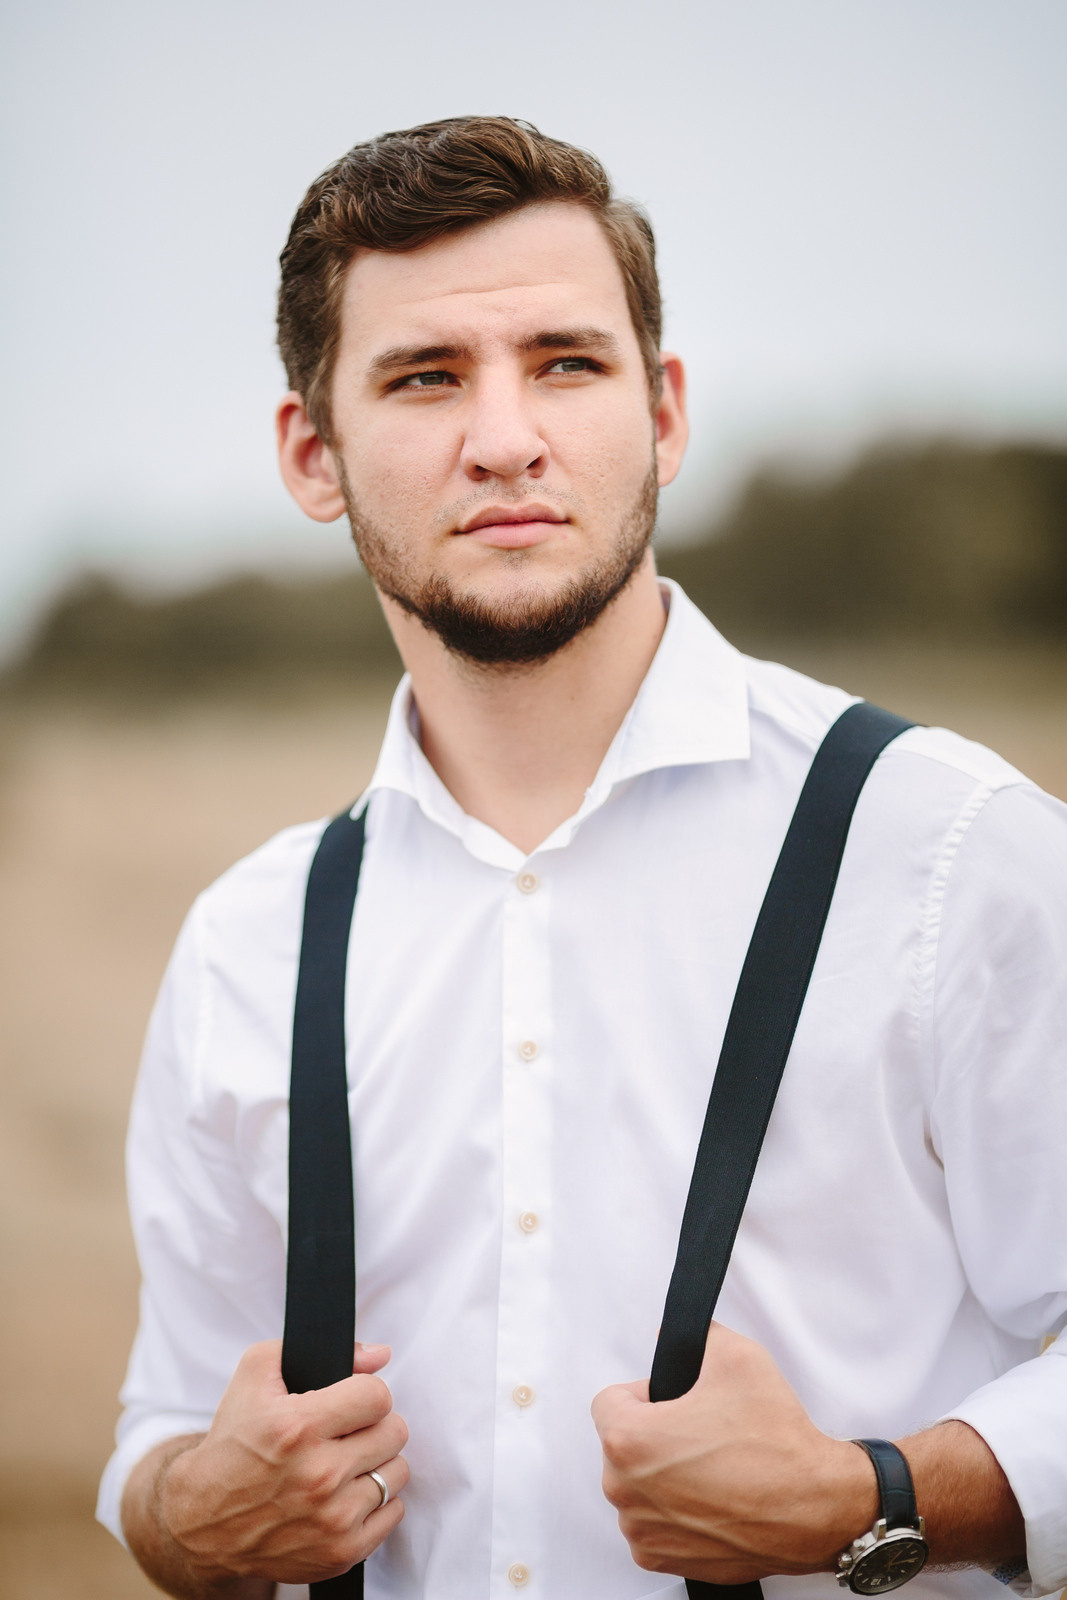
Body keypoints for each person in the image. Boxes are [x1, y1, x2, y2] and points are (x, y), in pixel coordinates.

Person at [97, 117, 1067, 1600]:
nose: (505, 436)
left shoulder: (949, 853)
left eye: (566, 361)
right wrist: (190, 1516)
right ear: (314, 451)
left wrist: (871, 1497)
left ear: (664, 415)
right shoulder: (250, 942)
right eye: (426, 377)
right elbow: (165, 1435)